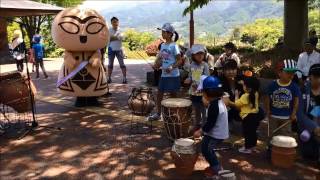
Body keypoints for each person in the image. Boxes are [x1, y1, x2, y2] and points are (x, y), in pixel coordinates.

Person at [193, 76, 229, 178]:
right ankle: (213, 165)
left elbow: (210, 124)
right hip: (216, 131)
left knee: (207, 150)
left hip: (217, 134)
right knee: (205, 147)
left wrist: (200, 131)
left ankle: (217, 169)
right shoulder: (216, 101)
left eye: (203, 92)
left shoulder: (214, 106)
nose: (202, 94)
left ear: (207, 93)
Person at [148, 23, 182, 121]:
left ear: (170, 34)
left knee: (173, 95)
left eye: (164, 32)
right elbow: (162, 59)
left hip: (173, 75)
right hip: (164, 74)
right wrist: (156, 65)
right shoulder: (162, 45)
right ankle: (158, 114)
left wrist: (172, 67)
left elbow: (180, 60)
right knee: (159, 94)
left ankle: (176, 114)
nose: (162, 33)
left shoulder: (174, 46)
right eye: (162, 32)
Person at [226, 77, 264, 153]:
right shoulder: (256, 93)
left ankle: (247, 148)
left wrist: (231, 99)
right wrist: (242, 82)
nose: (243, 86)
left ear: (248, 88)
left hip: (248, 117)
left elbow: (236, 104)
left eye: (244, 85)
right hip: (256, 115)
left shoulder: (245, 96)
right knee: (253, 132)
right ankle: (253, 146)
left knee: (247, 133)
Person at [265, 59, 301, 136]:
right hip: (273, 115)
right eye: (288, 72)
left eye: (293, 73)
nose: (291, 75)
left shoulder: (294, 86)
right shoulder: (273, 85)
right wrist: (268, 109)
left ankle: (284, 148)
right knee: (272, 134)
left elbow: (296, 100)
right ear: (279, 73)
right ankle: (271, 147)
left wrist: (294, 112)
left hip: (287, 117)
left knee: (285, 136)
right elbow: (267, 96)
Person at [297, 64, 320, 162]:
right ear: (311, 77)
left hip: (317, 123)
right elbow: (300, 114)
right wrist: (314, 127)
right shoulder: (302, 91)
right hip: (305, 127)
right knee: (308, 154)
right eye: (318, 77)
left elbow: (317, 111)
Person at [184, 44, 209, 131]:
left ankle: (204, 126)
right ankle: (197, 124)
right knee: (196, 110)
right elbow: (190, 76)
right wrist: (188, 79)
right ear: (193, 55)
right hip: (193, 92)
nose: (200, 56)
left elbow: (207, 79)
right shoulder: (192, 65)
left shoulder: (205, 65)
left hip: (203, 93)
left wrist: (199, 85)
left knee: (204, 111)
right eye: (197, 54)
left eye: (201, 54)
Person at [219, 59, 243, 129]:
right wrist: (236, 105)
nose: (231, 72)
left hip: (240, 107)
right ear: (223, 71)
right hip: (227, 109)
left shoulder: (241, 80)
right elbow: (225, 102)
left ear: (236, 70)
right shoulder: (220, 81)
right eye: (228, 70)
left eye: (233, 69)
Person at [107, 17, 127, 84]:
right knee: (110, 65)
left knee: (122, 64)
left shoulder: (120, 30)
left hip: (119, 49)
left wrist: (112, 37)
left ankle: (124, 78)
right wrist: (116, 37)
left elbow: (122, 38)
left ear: (118, 22)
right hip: (111, 49)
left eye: (116, 22)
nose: (115, 23)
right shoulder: (109, 30)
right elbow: (107, 39)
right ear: (111, 23)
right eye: (113, 22)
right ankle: (109, 78)